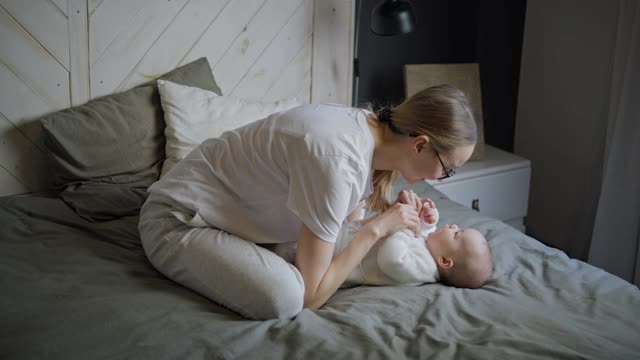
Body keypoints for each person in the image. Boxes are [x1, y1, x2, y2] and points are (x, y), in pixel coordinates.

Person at [138, 84, 478, 320]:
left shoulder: (368, 138)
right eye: (447, 169)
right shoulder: (336, 158)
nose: (440, 180)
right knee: (285, 297)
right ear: (419, 145)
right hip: (179, 219)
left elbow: (339, 228)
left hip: (236, 216)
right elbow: (309, 298)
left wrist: (389, 220)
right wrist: (375, 229)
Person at [275, 199, 493, 289]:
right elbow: (423, 236)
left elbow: (391, 259)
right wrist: (427, 221)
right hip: (340, 235)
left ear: (445, 261)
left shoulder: (423, 270)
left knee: (281, 246)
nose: (453, 225)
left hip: (327, 257)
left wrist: (406, 227)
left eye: (457, 234)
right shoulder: (431, 250)